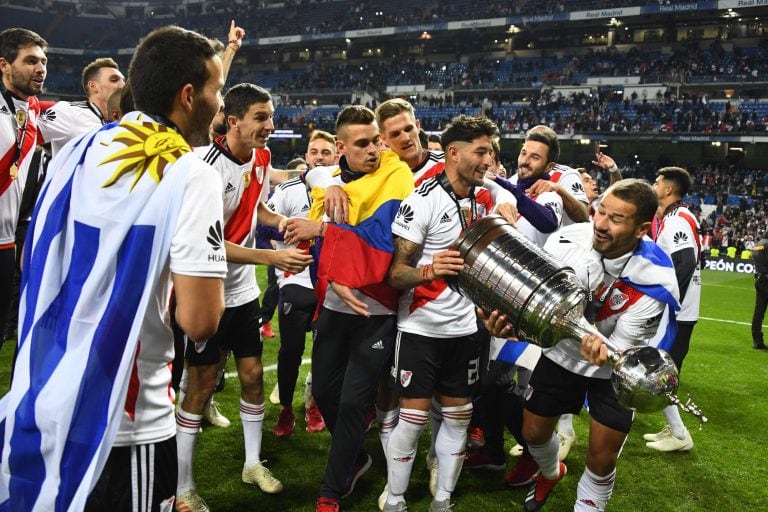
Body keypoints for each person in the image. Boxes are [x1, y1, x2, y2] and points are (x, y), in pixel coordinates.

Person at [0, 25, 228, 511]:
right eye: (217, 90)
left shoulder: (81, 149)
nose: (219, 102)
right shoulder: (192, 172)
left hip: (51, 393)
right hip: (129, 418)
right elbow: (200, 320)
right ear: (189, 96)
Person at [485, 178, 680, 512]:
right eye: (600, 211)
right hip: (561, 356)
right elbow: (529, 300)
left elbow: (618, 348)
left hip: (616, 372)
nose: (600, 225)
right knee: (533, 434)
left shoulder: (656, 278)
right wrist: (508, 324)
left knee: (602, 457)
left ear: (641, 229)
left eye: (616, 219)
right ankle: (550, 471)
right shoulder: (565, 240)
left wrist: (603, 352)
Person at [175, 83, 312, 511]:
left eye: (270, 116)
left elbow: (255, 212)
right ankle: (182, 488)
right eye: (260, 117)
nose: (269, 126)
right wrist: (272, 256)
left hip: (242, 293)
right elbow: (211, 242)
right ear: (232, 120)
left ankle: (252, 463)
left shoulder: (262, 157)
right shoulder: (205, 168)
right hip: (206, 292)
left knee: (253, 378)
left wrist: (284, 222)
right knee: (198, 387)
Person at [283, 105, 413, 512]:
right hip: (337, 304)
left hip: (376, 308)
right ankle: (356, 456)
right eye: (363, 144)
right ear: (341, 148)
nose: (375, 149)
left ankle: (330, 492)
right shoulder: (334, 180)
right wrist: (324, 180)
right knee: (323, 391)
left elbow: (380, 240)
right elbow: (319, 239)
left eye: (377, 140)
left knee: (356, 401)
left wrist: (322, 227)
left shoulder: (396, 175)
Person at [384, 115, 501, 512]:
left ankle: (443, 501)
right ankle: (396, 500)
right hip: (420, 328)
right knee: (413, 421)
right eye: (481, 151)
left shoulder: (483, 199)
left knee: (459, 419)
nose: (489, 159)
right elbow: (396, 273)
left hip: (465, 330)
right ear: (454, 152)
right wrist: (431, 269)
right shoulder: (422, 199)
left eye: (490, 151)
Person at [644, 167, 702, 452]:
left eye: (657, 181)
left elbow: (686, 261)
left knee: (659, 374)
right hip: (682, 312)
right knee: (659, 373)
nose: (654, 184)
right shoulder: (677, 217)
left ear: (668, 189)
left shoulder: (677, 219)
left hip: (677, 313)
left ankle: (680, 435)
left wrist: (669, 300)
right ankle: (676, 431)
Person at [0, 28, 47, 351]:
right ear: (4, 64)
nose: (41, 68)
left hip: (5, 247)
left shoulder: (33, 112)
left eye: (44, 61)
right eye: (31, 60)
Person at [38, 57, 125, 156]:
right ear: (93, 86)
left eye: (123, 80)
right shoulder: (70, 113)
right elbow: (23, 118)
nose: (123, 85)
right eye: (114, 80)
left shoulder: (125, 123)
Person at [752, 231, 768, 349]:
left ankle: (757, 340)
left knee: (759, 312)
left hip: (760, 279)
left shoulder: (758, 244)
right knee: (759, 312)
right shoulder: (767, 244)